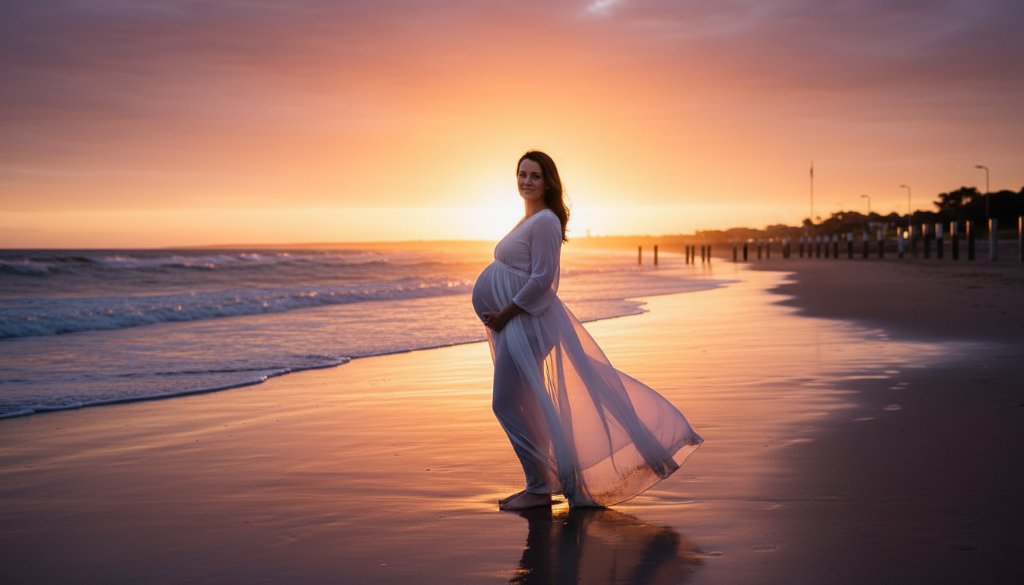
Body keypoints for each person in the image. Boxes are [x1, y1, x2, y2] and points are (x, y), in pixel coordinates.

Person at [471, 150, 703, 511]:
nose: (526, 181)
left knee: (505, 402)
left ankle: (539, 486)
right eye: (521, 174)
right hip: (517, 322)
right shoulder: (528, 218)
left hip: (526, 322)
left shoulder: (545, 221)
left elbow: (543, 280)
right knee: (526, 403)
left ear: (548, 181)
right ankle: (541, 484)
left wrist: (505, 313)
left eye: (534, 175)